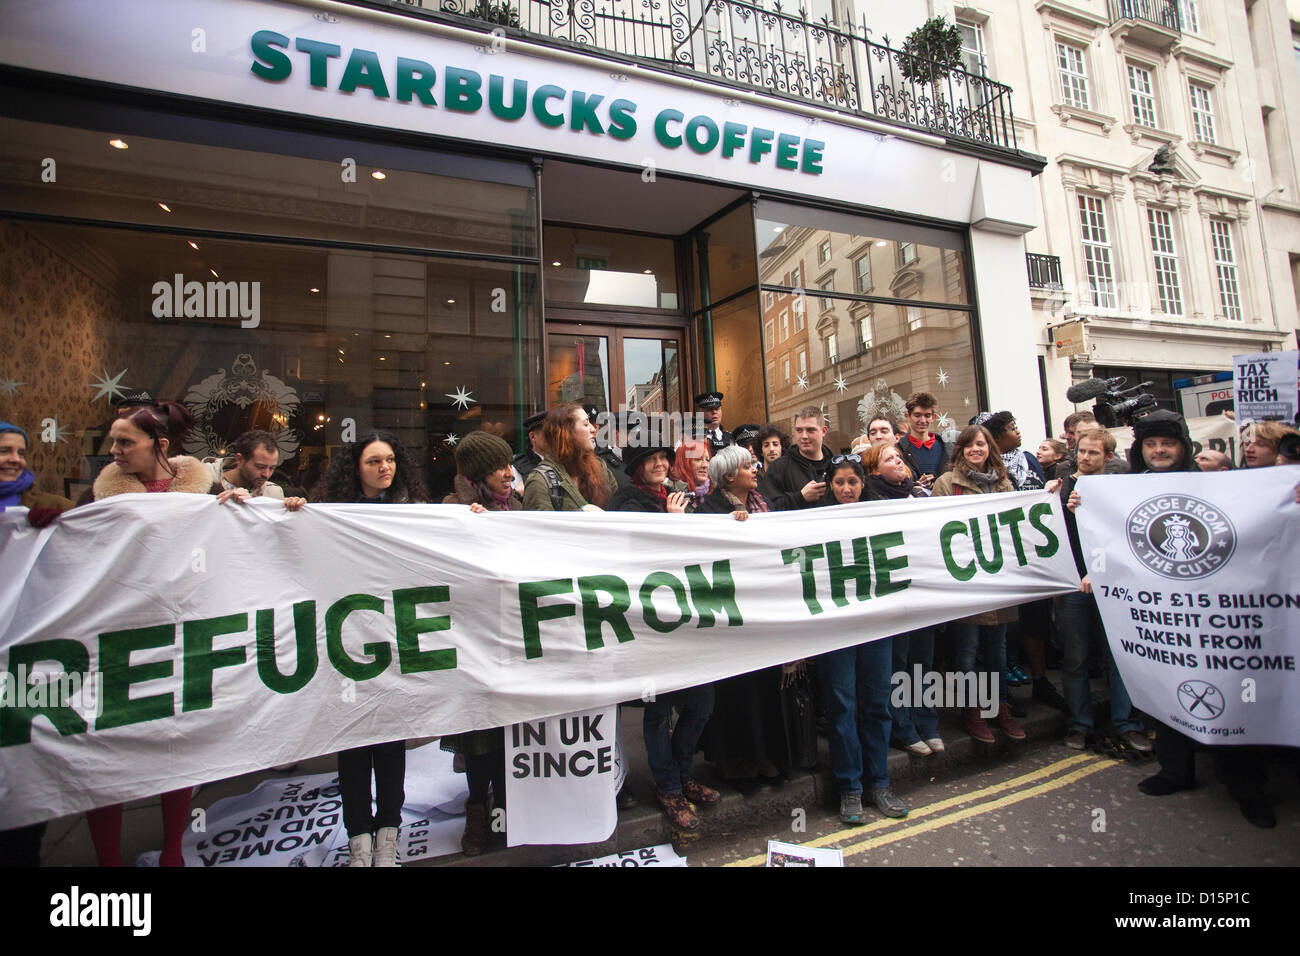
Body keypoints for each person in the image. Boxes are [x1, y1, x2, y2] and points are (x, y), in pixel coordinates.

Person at [79, 401, 210, 866]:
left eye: (125, 442)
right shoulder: (96, 502)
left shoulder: (207, 499)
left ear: (161, 446)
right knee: (106, 758)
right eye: (111, 442)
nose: (113, 450)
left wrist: (245, 514)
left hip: (178, 638)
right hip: (117, 641)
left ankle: (173, 851)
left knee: (174, 751)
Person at [310, 430, 430, 865]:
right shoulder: (328, 515)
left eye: (391, 460)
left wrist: (470, 518)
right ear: (354, 468)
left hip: (393, 643)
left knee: (390, 744)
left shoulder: (411, 513)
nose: (385, 469)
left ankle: (388, 837)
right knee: (355, 745)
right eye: (374, 461)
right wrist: (282, 514)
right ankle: (358, 838)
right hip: (349, 644)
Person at [607, 441, 720, 833]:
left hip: (688, 618)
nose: (658, 465)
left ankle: (681, 772)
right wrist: (671, 524)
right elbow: (633, 558)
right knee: (658, 711)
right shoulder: (625, 504)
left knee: (702, 701)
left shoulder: (679, 495)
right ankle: (669, 787)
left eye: (662, 459)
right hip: (651, 624)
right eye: (650, 461)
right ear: (636, 469)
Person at [698, 446, 815, 791]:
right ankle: (740, 766)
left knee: (766, 691)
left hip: (765, 613)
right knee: (739, 696)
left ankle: (769, 760)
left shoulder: (763, 506)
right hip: (733, 620)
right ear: (729, 477)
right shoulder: (710, 512)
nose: (755, 469)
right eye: (747, 466)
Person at [813, 452, 909, 822]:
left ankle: (880, 782)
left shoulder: (880, 514)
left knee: (876, 704)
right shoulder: (813, 521)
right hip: (835, 628)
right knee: (841, 708)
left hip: (875, 624)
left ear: (863, 483)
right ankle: (850, 788)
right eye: (839, 483)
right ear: (830, 485)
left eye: (853, 482)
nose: (847, 489)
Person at [439, 431, 520, 854]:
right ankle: (476, 809)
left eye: (510, 464)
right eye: (499, 467)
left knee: (511, 730)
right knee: (481, 735)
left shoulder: (518, 506)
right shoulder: (454, 510)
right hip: (475, 640)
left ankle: (504, 808)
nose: (510, 473)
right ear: (476, 475)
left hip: (514, 636)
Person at [0, 422, 75, 866]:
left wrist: (66, 522)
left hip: (27, 653)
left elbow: (102, 527)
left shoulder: (46, 506)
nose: (14, 459)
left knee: (28, 761)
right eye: (3, 451)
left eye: (19, 452)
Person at [1056, 427, 1149, 753]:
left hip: (1114, 583)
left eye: (1093, 453)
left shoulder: (1120, 489)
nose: (1084, 457)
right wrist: (1061, 508)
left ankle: (1126, 723)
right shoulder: (1063, 487)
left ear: (1108, 456)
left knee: (1119, 655)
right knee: (1076, 657)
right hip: (1073, 584)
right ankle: (1080, 724)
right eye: (1081, 451)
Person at [931, 425, 1024, 744]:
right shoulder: (946, 484)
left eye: (981, 444)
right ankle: (971, 710)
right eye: (969, 445)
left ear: (990, 448)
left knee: (997, 648)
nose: (975, 449)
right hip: (967, 582)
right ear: (960, 450)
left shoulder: (1004, 482)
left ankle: (999, 706)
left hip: (998, 581)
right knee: (967, 649)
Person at [857, 444, 943, 759]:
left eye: (898, 456)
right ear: (875, 470)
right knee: (899, 663)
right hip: (894, 594)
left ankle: (927, 722)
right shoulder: (869, 500)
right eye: (888, 459)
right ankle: (903, 727)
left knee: (923, 662)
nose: (898, 461)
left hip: (922, 590)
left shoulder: (919, 496)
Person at [522, 403, 616, 512]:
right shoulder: (539, 481)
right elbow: (540, 528)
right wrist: (580, 514)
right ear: (566, 433)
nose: (593, 429)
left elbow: (619, 514)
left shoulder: (601, 468)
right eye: (586, 424)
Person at [762, 406, 830, 511]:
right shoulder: (779, 468)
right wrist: (800, 497)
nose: (804, 436)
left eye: (810, 430)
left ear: (824, 431)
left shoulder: (835, 466)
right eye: (799, 430)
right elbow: (768, 507)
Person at [204, 429, 286, 499]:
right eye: (260, 467)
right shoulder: (203, 478)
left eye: (272, 468)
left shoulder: (271, 494)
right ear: (239, 459)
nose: (266, 474)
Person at [895, 392, 949, 489]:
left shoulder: (946, 447)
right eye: (917, 415)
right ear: (908, 416)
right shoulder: (898, 449)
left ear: (934, 417)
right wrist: (915, 484)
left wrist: (936, 484)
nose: (923, 420)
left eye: (927, 415)